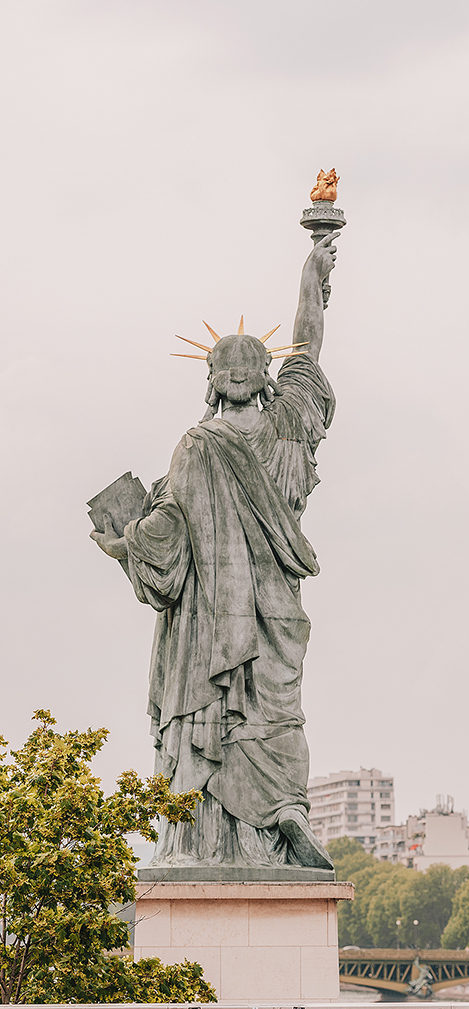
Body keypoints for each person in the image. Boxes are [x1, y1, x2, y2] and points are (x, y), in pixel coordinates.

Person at [90, 231, 341, 872]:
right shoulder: (290, 427)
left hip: (210, 630)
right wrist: (314, 269)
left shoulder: (195, 448)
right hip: (277, 613)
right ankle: (286, 809)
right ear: (265, 378)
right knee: (279, 712)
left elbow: (165, 546)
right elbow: (308, 343)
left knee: (213, 715)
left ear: (211, 382)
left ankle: (203, 838)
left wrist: (124, 541)